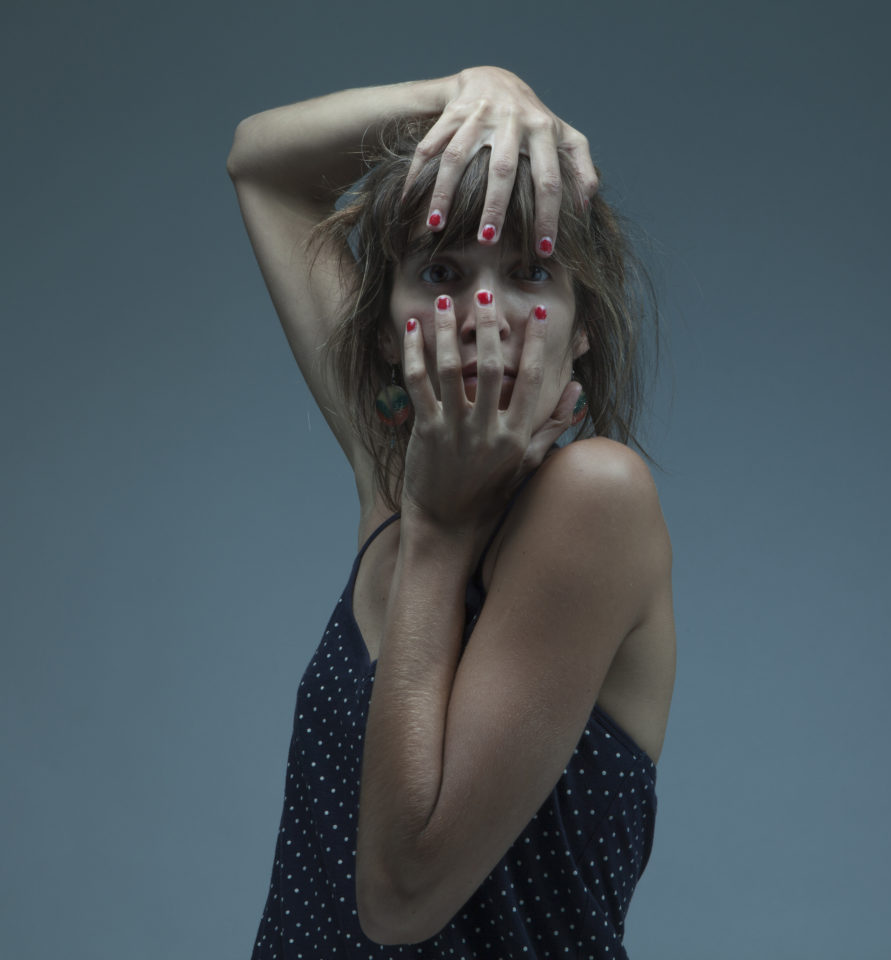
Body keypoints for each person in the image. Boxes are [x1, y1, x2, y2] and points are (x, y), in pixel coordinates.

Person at [227, 66, 676, 959]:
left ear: (582, 324)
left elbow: (401, 897)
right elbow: (262, 167)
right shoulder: (395, 474)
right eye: (441, 272)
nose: (482, 315)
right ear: (388, 327)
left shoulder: (595, 498)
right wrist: (471, 92)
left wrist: (437, 535)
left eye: (531, 273)